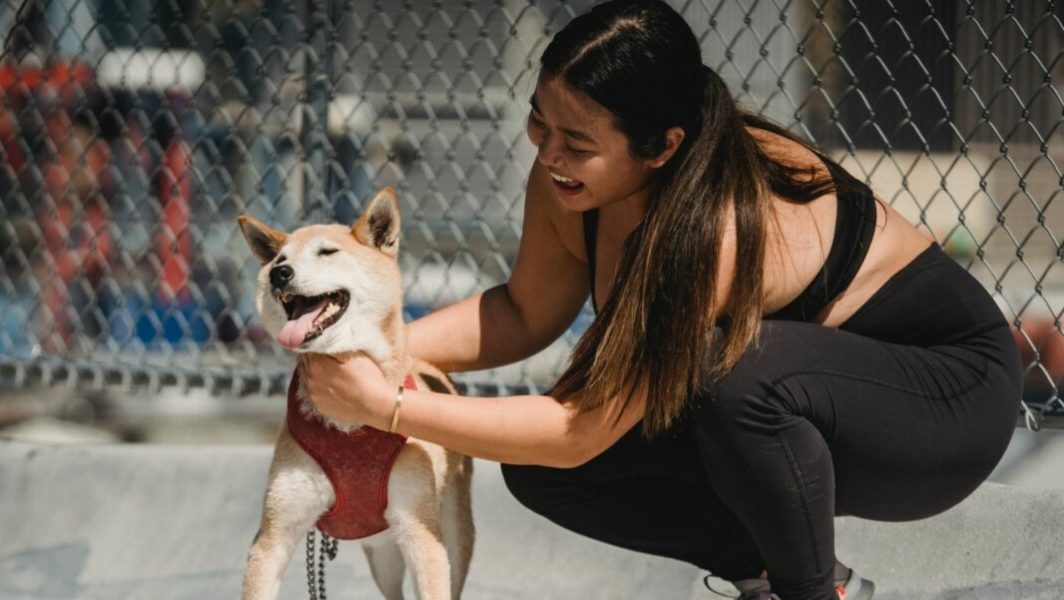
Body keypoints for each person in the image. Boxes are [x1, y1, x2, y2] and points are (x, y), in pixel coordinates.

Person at [302, 1, 1022, 598]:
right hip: (807, 404)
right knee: (542, 469)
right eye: (538, 123)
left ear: (661, 147)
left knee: (732, 377)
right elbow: (524, 312)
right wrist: (355, 345)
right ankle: (772, 577)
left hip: (943, 406)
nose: (548, 154)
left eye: (575, 141)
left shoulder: (712, 225)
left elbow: (579, 427)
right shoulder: (573, 180)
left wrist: (382, 405)